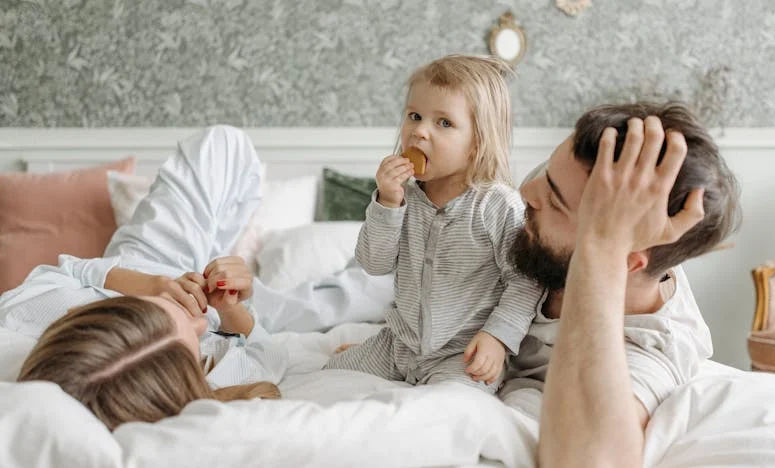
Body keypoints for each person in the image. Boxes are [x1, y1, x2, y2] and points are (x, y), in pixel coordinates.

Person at [1, 125, 394, 430]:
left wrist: (154, 287)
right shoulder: (209, 375)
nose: (199, 316)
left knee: (222, 144)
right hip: (241, 313)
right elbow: (267, 353)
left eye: (167, 314)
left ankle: (196, 263)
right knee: (375, 291)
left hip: (144, 271)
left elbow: (72, 269)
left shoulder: (23, 317)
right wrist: (236, 310)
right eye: (194, 337)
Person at [503, 103, 740, 466]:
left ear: (626, 260)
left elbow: (586, 461)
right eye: (546, 174)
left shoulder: (653, 346)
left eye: (552, 200)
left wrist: (600, 251)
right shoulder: (580, 187)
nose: (524, 191)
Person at [323, 55, 542, 392]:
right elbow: (374, 263)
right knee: (328, 376)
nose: (420, 131)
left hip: (464, 353)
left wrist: (497, 338)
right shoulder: (401, 197)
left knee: (445, 407)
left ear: (477, 143)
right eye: (414, 116)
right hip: (399, 346)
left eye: (443, 123)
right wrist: (387, 203)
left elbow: (525, 282)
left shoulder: (496, 204)